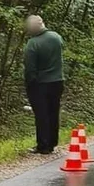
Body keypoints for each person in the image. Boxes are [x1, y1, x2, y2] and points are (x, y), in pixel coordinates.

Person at [24, 15, 64, 154]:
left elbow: (30, 69)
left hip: (40, 83)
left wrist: (29, 84)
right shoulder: (56, 37)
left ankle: (43, 145)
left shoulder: (32, 43)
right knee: (53, 112)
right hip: (58, 81)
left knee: (41, 114)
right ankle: (53, 142)